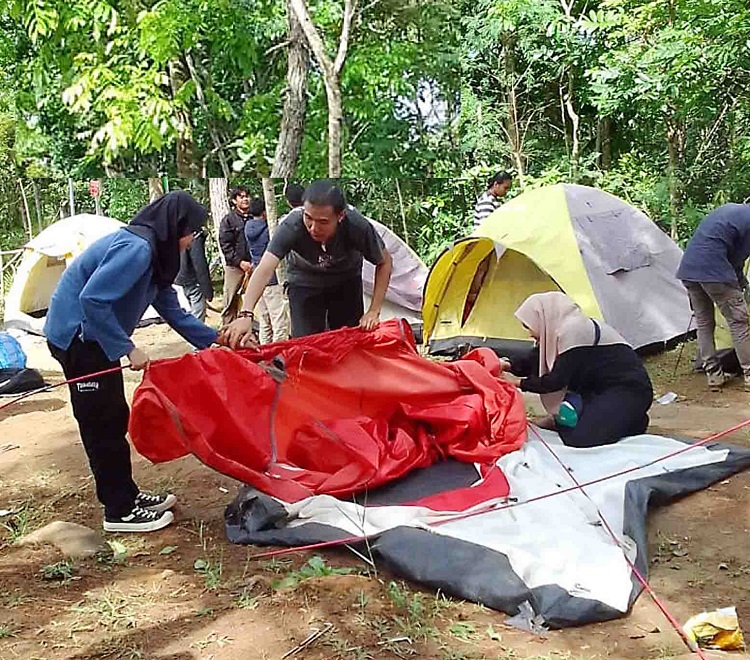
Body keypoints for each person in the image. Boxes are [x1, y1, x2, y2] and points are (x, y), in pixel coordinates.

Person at [44, 191, 218, 533]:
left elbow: (171, 310)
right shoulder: (136, 249)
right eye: (191, 232)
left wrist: (215, 340)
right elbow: (92, 300)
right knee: (101, 423)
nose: (191, 240)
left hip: (95, 339)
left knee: (112, 416)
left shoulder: (156, 255)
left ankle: (127, 495)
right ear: (175, 227)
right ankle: (118, 511)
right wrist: (127, 347)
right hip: (78, 340)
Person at [220, 179, 393, 348]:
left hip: (346, 281)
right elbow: (264, 268)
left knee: (348, 342)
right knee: (305, 346)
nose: (313, 228)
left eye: (323, 222)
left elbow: (385, 262)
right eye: (308, 218)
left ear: (340, 216)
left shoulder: (356, 226)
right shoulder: (292, 225)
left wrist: (374, 310)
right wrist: (246, 314)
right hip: (304, 281)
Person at [500, 292, 653, 448]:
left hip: (628, 390)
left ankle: (633, 419)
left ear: (543, 318)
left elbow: (556, 380)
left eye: (529, 326)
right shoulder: (559, 330)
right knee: (573, 425)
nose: (530, 334)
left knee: (580, 439)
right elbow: (536, 358)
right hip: (596, 391)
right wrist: (508, 365)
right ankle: (620, 419)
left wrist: (518, 383)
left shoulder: (574, 330)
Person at [676, 203, 750, 391]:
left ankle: (714, 375)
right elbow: (737, 260)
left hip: (689, 270)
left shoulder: (731, 210)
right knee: (739, 322)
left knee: (704, 323)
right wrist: (741, 284)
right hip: (715, 272)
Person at [244, 197, 289, 343]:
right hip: (271, 278)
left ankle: (264, 351)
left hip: (257, 277)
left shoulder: (247, 227)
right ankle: (279, 353)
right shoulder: (269, 230)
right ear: (265, 212)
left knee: (264, 321)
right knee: (279, 320)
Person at [218, 186, 253, 325]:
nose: (245, 199)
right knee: (230, 301)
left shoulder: (255, 217)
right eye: (241, 197)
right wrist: (239, 262)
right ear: (234, 201)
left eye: (246, 196)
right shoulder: (228, 220)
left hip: (254, 265)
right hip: (234, 267)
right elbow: (225, 245)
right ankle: (227, 332)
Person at [174, 227, 213, 321]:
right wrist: (207, 290)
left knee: (190, 314)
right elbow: (199, 263)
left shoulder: (175, 230)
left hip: (178, 278)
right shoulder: (194, 235)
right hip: (193, 280)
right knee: (198, 317)